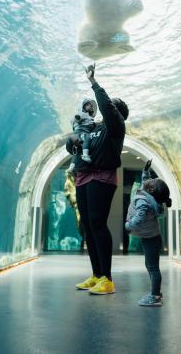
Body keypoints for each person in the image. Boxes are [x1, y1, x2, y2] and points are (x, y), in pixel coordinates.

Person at [67, 63, 128, 295]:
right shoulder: (94, 127)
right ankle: (96, 275)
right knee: (88, 226)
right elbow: (75, 143)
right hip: (83, 177)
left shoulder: (115, 127)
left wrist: (94, 83)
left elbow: (108, 108)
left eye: (112, 107)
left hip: (101, 177)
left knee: (98, 222)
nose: (106, 109)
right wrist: (70, 141)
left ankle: (108, 279)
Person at [125, 159, 171, 307]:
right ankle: (155, 292)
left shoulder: (144, 202)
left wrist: (128, 225)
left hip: (150, 239)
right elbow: (146, 181)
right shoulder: (149, 196)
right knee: (150, 266)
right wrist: (145, 171)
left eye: (152, 181)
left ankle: (155, 296)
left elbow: (139, 219)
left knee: (153, 268)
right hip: (151, 238)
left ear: (150, 190)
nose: (149, 180)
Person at [67, 97, 97, 172]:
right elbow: (76, 118)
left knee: (77, 152)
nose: (91, 106)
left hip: (80, 133)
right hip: (82, 132)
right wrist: (77, 118)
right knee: (87, 138)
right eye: (89, 105)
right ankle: (85, 155)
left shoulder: (88, 117)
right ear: (83, 106)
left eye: (91, 105)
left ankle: (71, 167)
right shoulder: (83, 114)